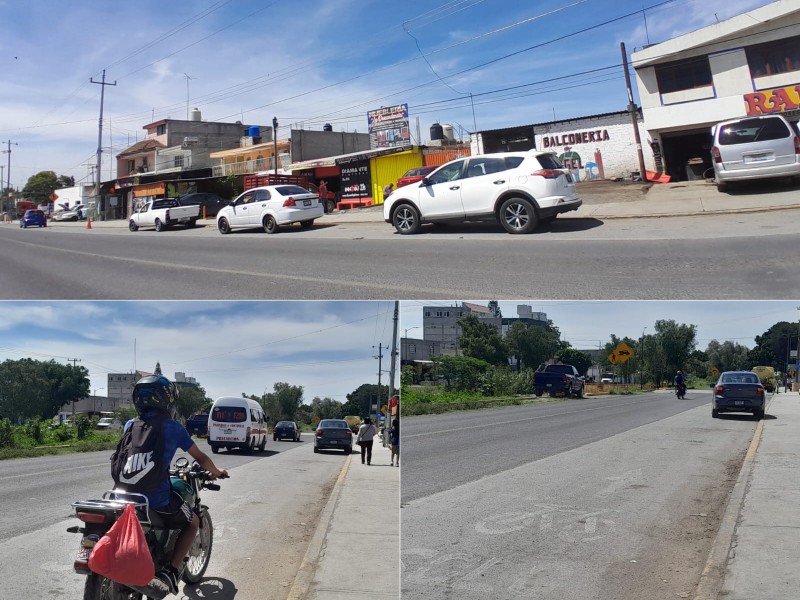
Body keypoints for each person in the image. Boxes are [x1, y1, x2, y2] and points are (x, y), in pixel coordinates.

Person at [125, 375, 228, 595]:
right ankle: (171, 571)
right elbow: (200, 457)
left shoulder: (130, 424)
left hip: (123, 495)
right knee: (192, 522)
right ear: (166, 400)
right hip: (156, 498)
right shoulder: (172, 427)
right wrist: (217, 472)